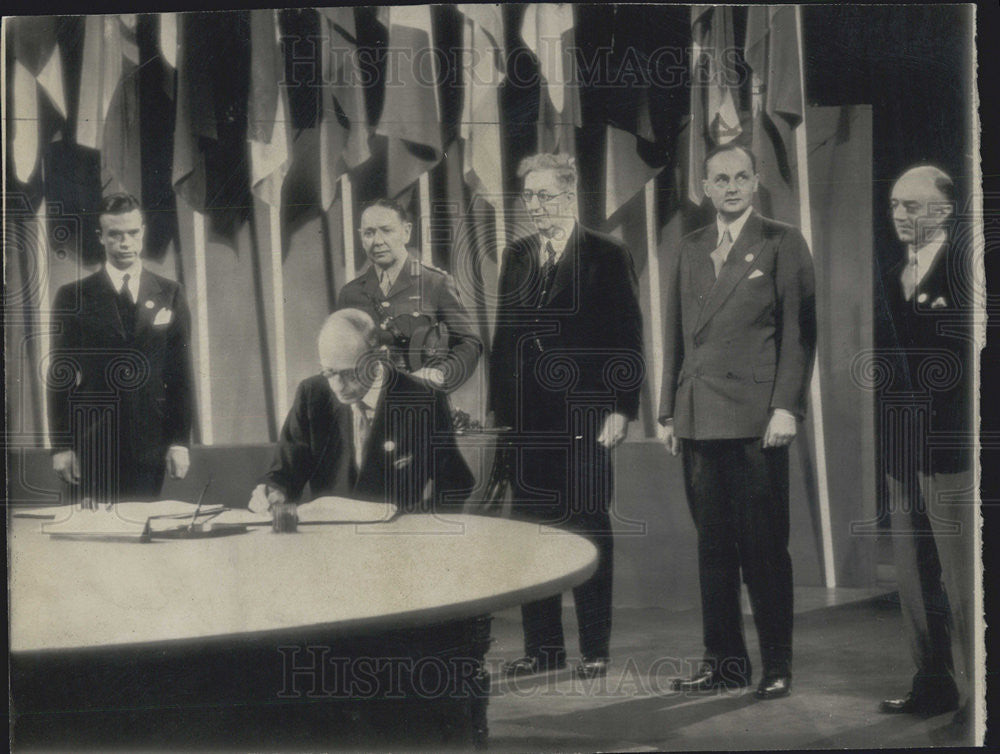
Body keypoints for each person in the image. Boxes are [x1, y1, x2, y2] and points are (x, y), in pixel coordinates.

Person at [658, 143, 816, 700]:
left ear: (756, 182)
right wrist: (668, 411)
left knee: (765, 550)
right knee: (714, 551)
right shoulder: (691, 246)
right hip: (698, 418)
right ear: (705, 187)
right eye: (720, 178)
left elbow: (799, 333)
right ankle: (722, 661)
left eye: (741, 177)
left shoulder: (780, 241)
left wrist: (785, 407)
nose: (730, 187)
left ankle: (777, 664)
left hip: (755, 422)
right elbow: (675, 334)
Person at [488, 153, 644, 680]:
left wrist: (623, 409)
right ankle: (543, 649)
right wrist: (501, 417)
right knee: (534, 535)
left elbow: (629, 338)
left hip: (586, 419)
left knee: (587, 530)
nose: (536, 207)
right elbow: (504, 339)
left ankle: (595, 648)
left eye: (546, 196)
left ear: (570, 196)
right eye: (528, 197)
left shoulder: (606, 253)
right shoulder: (517, 255)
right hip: (528, 425)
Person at [877, 165, 974, 740]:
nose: (901, 216)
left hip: (952, 448)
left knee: (962, 581)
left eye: (913, 206)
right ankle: (931, 680)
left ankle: (975, 692)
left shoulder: (966, 270)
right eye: (894, 206)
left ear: (946, 209)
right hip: (902, 449)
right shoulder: (896, 273)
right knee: (915, 575)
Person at [249, 309, 474, 513]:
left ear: (377, 357)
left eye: (350, 374)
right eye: (329, 372)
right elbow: (284, 473)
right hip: (330, 541)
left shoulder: (423, 399)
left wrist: (415, 525)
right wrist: (272, 491)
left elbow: (456, 483)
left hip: (396, 544)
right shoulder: (311, 394)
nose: (337, 386)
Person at [48, 192, 194, 503]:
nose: (125, 242)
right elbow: (59, 375)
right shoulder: (72, 297)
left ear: (143, 231)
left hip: (149, 445)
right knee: (93, 544)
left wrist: (180, 441)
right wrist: (62, 446)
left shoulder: (170, 293)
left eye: (132, 233)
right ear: (100, 237)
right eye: (115, 235)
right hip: (91, 447)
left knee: (144, 541)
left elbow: (181, 374)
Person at [337, 198, 482, 393]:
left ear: (406, 232)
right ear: (361, 238)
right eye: (369, 233)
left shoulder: (434, 283)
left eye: (386, 231)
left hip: (424, 402)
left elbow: (469, 344)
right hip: (371, 408)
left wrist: (438, 375)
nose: (378, 241)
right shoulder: (350, 294)